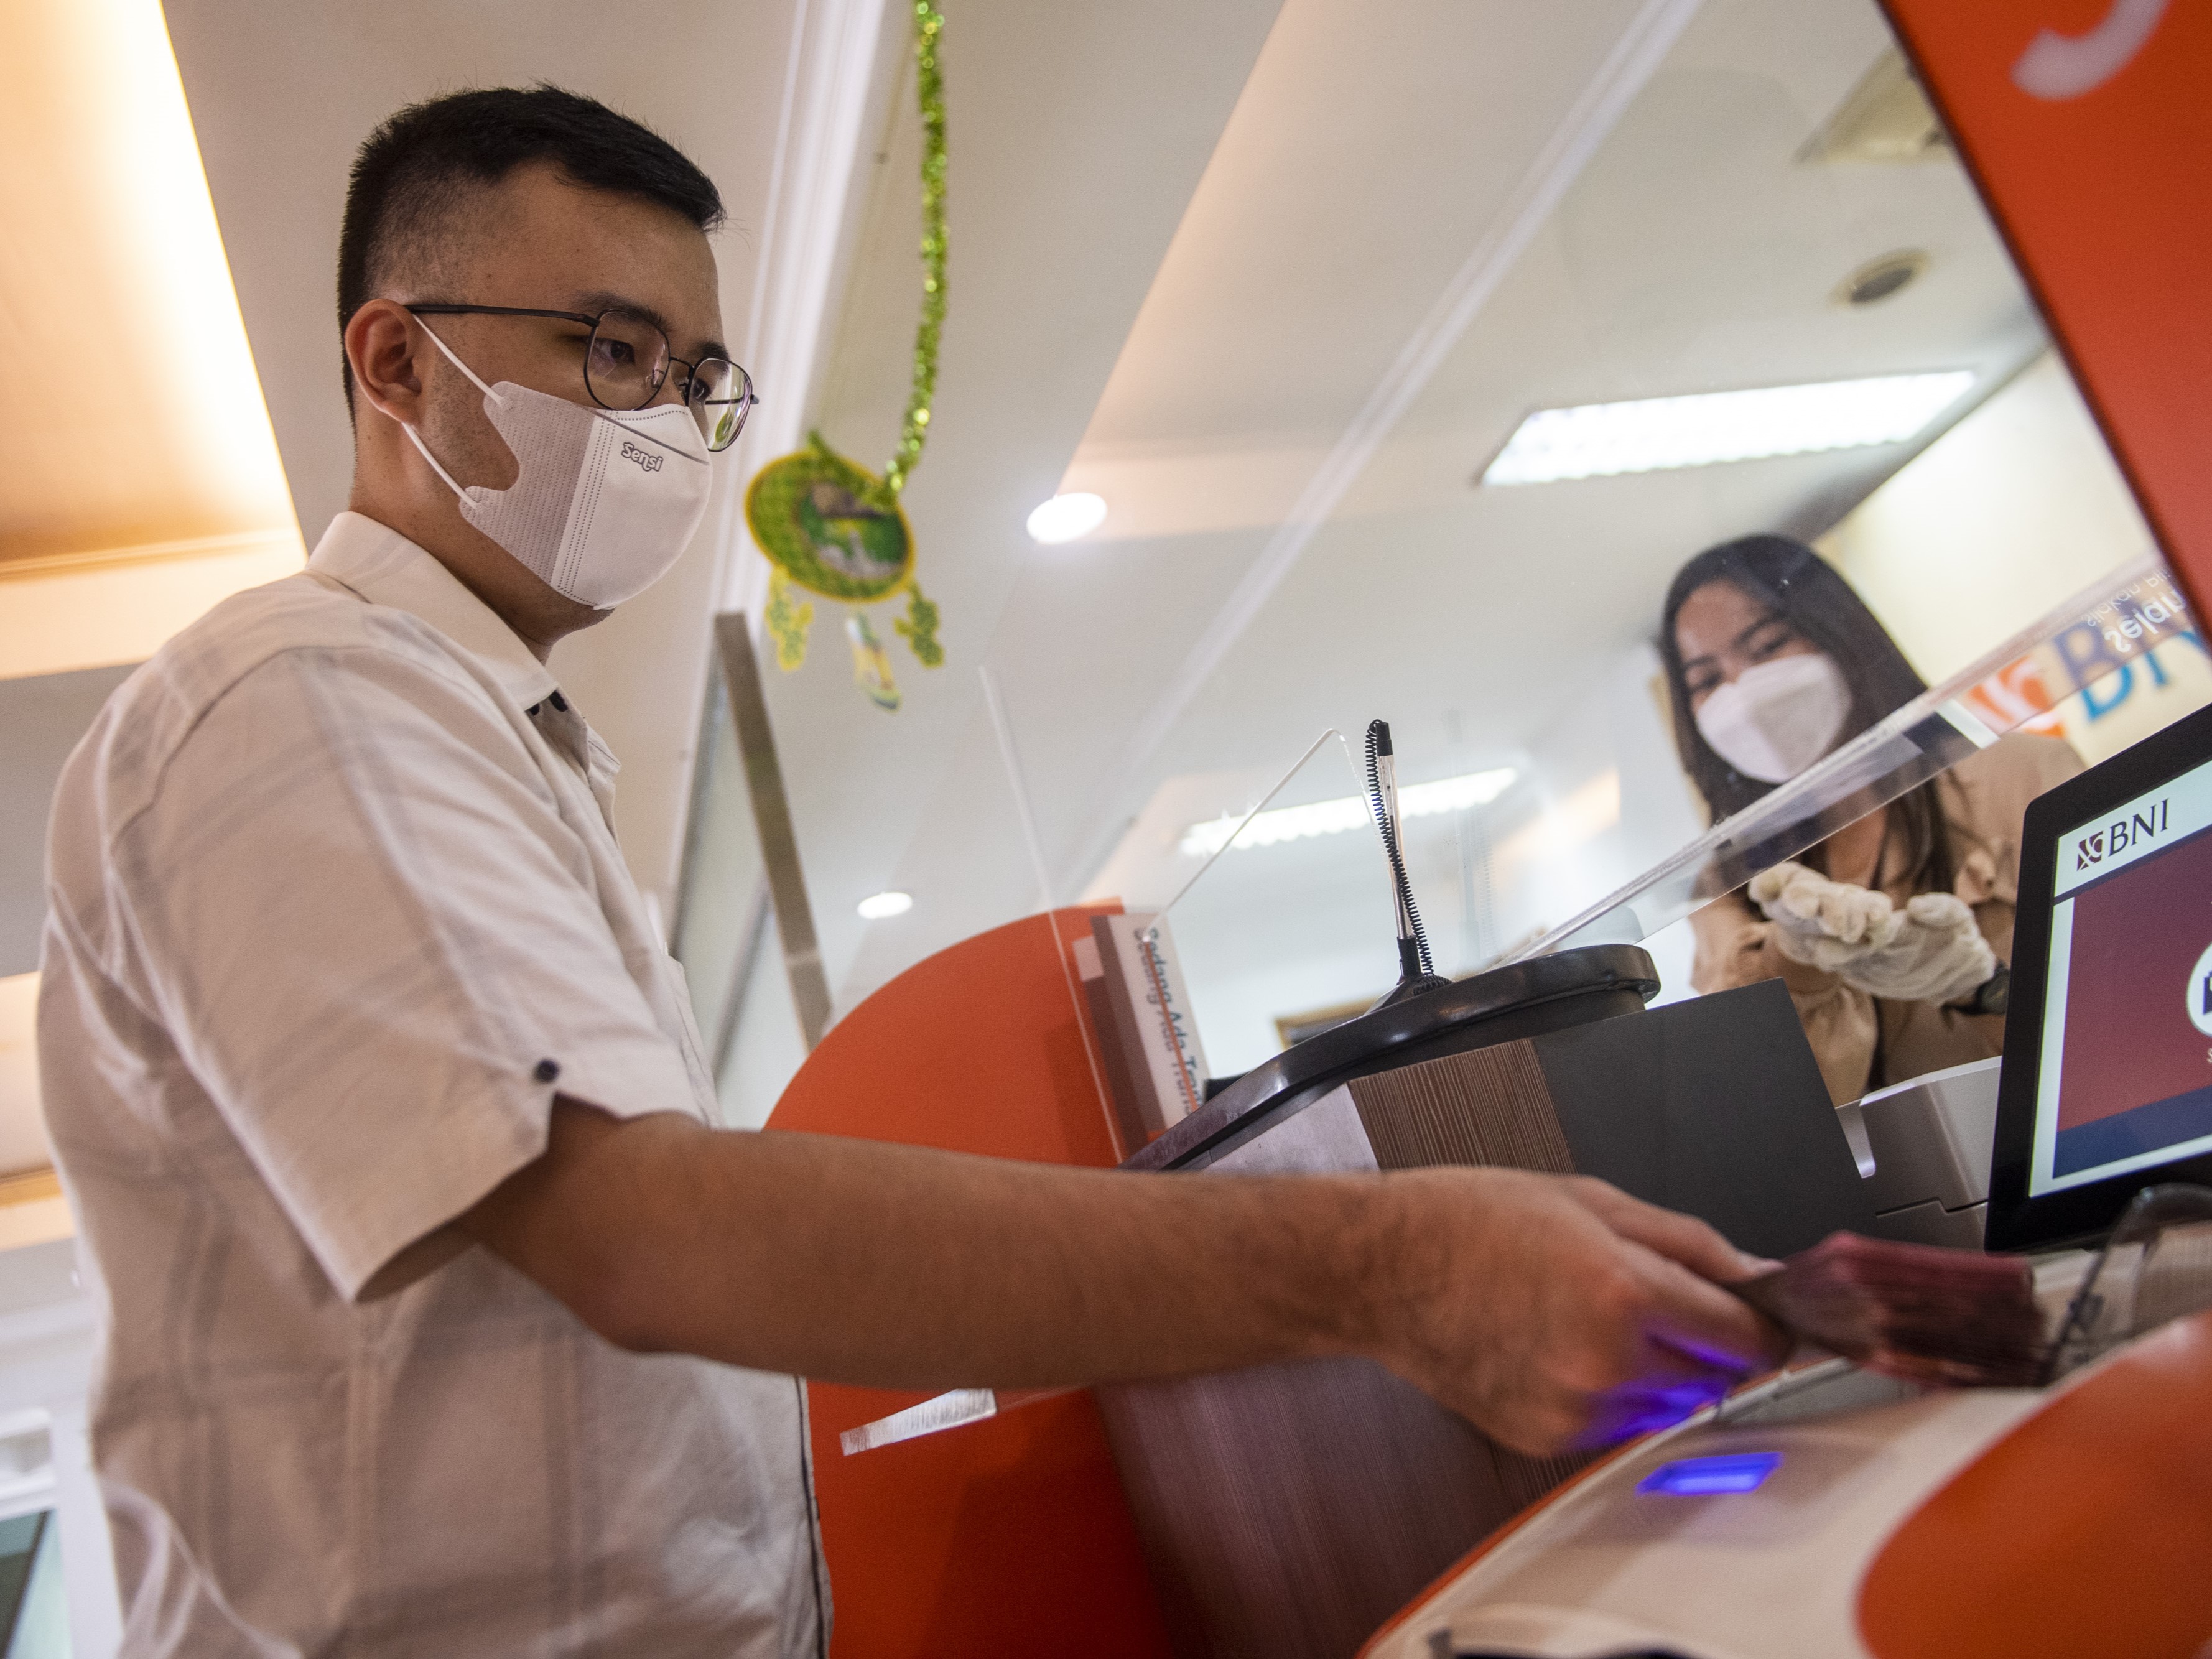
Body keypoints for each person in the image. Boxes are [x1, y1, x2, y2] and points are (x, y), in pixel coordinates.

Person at [39, 88, 1782, 1655]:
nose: (663, 417)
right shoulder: (302, 694)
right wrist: (1386, 1266)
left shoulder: (503, 741)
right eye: (608, 347)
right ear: (397, 361)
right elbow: (647, 1239)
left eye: (693, 375)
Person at [1661, 534, 2083, 1105]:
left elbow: (2127, 1009)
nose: (1743, 693)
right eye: (1707, 680)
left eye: (1766, 646)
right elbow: (1773, 1106)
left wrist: (1981, 988)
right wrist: (1796, 958)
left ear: (1841, 634)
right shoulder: (1725, 887)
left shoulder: (2024, 776)